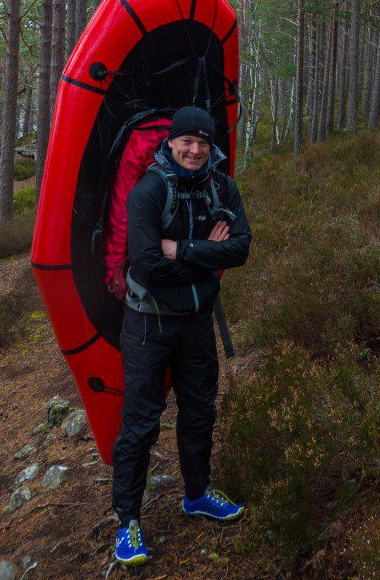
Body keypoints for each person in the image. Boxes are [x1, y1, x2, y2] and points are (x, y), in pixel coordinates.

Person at [112, 105, 252, 566]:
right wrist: (210, 253)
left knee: (199, 410)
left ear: (210, 147)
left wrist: (186, 249)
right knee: (140, 423)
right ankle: (127, 521)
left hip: (195, 322)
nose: (195, 150)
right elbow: (146, 266)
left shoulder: (221, 186)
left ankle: (196, 493)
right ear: (170, 143)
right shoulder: (150, 191)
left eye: (203, 143)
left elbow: (242, 248)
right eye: (186, 141)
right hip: (148, 323)